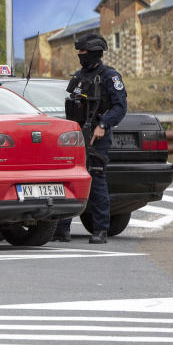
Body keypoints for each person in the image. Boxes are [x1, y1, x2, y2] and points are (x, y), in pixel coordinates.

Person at [54, 33, 127, 244]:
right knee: (70, 180)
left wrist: (103, 125)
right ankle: (62, 229)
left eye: (83, 51)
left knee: (96, 181)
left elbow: (120, 108)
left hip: (97, 135)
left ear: (94, 52)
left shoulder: (110, 77)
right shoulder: (78, 76)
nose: (79, 55)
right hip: (75, 135)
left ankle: (101, 230)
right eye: (78, 51)